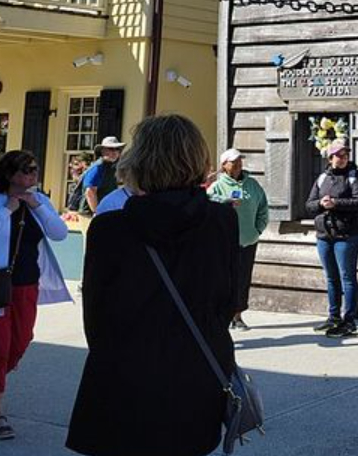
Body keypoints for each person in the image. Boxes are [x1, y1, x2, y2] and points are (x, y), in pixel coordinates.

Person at [66, 115, 241, 456]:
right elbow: (227, 300)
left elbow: (97, 319)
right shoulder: (222, 220)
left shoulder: (110, 229)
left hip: (127, 370)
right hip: (197, 367)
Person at [0, 150, 72, 441]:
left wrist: (37, 206)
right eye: (25, 170)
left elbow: (59, 233)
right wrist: (6, 211)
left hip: (26, 286)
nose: (32, 174)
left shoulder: (40, 202)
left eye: (34, 169)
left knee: (20, 343)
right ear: (9, 174)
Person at [305, 139, 358, 338]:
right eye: (339, 155)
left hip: (347, 235)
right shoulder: (322, 177)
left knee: (347, 277)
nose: (343, 158)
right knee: (331, 277)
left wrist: (336, 203)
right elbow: (309, 204)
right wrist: (321, 204)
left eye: (345, 155)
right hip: (324, 235)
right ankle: (334, 318)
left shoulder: (354, 175)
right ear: (330, 158)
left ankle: (349, 321)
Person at [207, 148, 269, 331]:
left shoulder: (253, 185)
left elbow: (263, 208)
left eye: (240, 161)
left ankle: (238, 315)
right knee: (223, 280)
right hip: (224, 244)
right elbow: (206, 206)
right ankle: (221, 316)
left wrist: (257, 230)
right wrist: (224, 201)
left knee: (242, 279)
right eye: (234, 162)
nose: (238, 165)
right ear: (224, 165)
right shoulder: (217, 187)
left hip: (248, 241)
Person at [80, 137, 125, 214]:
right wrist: (97, 212)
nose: (115, 152)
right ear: (103, 151)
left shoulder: (112, 167)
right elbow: (90, 192)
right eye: (111, 149)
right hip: (89, 213)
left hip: (106, 211)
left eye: (117, 149)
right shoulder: (98, 167)